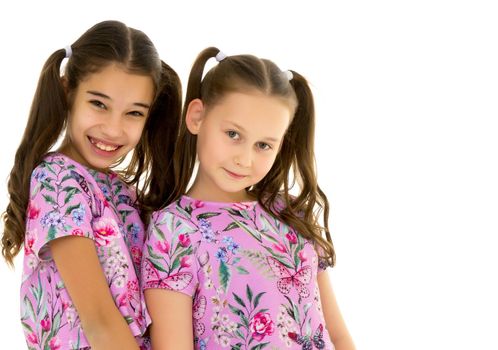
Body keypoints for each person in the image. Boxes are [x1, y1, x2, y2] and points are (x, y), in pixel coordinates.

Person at [141, 47, 355, 349]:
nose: (245, 159)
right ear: (197, 116)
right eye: (233, 135)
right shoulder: (174, 230)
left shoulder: (290, 212)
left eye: (264, 145)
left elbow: (338, 335)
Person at [1, 20, 182, 349]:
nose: (113, 129)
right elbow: (98, 320)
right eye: (99, 104)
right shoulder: (57, 180)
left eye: (134, 113)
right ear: (68, 89)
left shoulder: (124, 194)